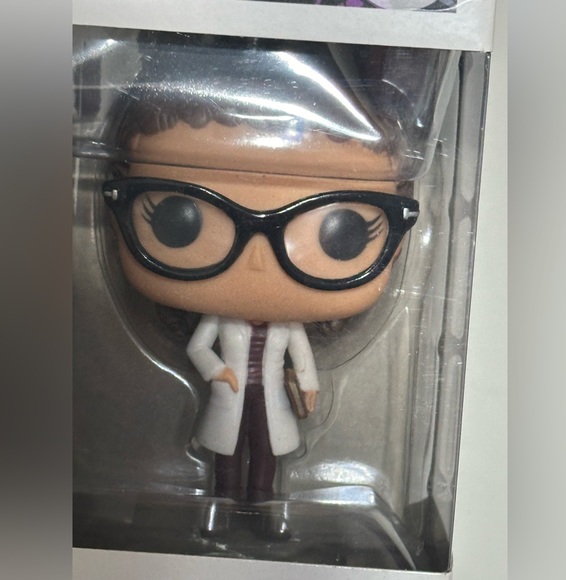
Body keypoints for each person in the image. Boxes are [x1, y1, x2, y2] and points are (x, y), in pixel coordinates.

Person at [102, 33, 419, 538]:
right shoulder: (218, 320)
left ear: (396, 239)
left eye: (341, 233)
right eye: (178, 220)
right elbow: (200, 347)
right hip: (230, 389)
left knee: (267, 453)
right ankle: (220, 508)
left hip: (269, 397)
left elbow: (302, 359)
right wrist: (218, 372)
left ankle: (265, 509)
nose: (256, 262)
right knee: (226, 455)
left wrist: (308, 387)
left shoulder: (287, 327)